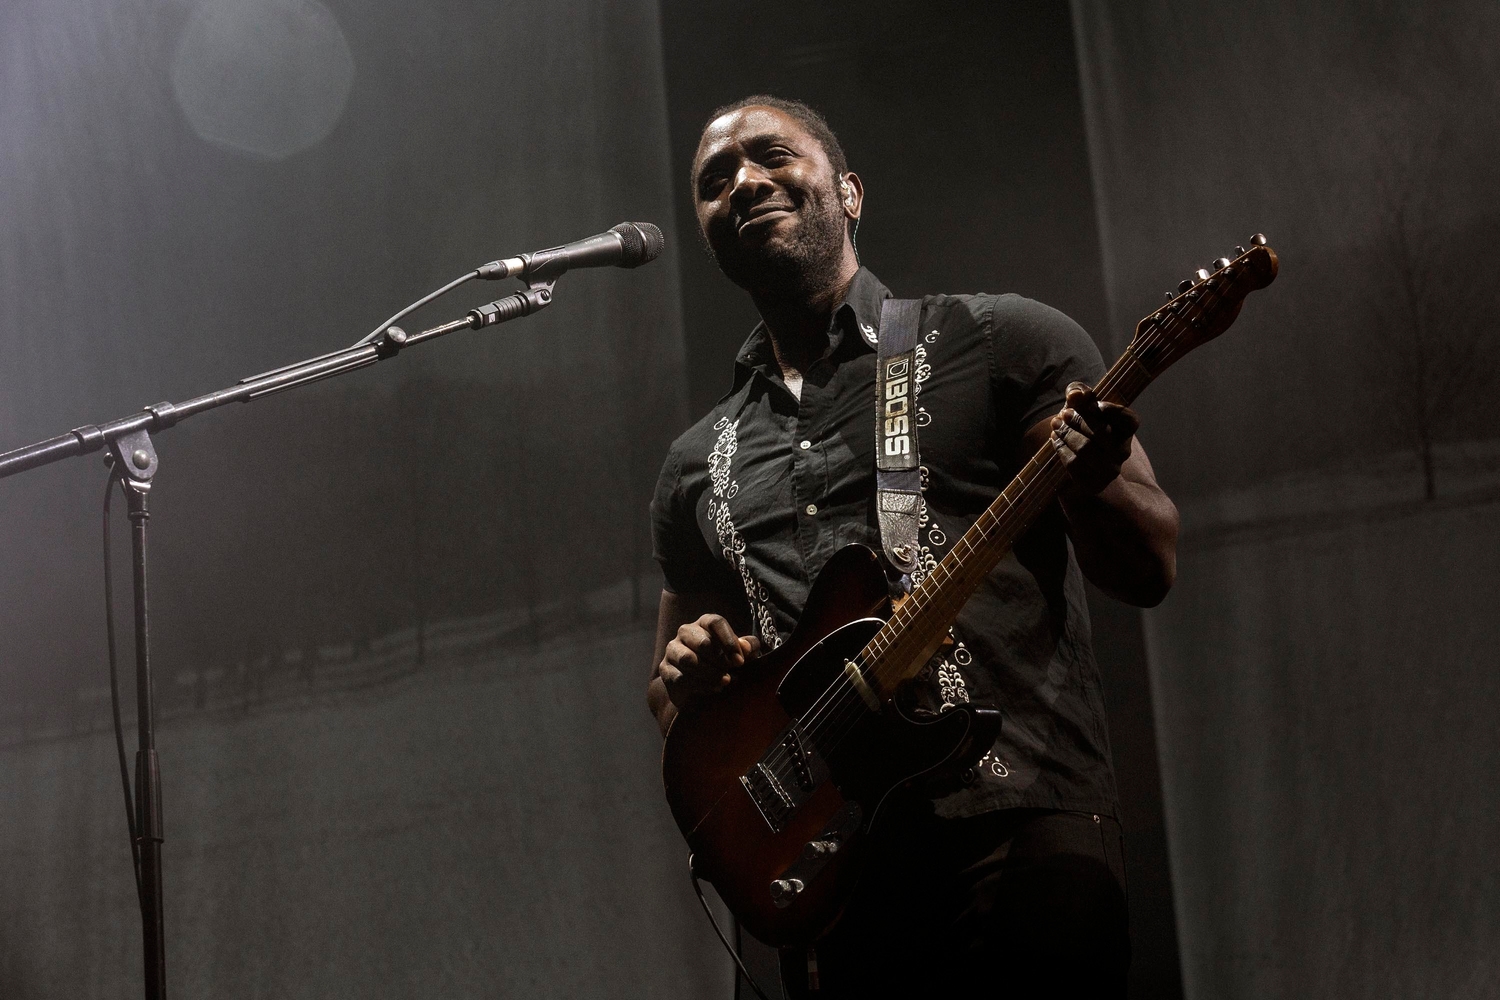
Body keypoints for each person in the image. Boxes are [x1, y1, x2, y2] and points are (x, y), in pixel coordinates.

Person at [647, 95, 1179, 998]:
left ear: (848, 192)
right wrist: (690, 673)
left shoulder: (1003, 337)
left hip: (1015, 829)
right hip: (823, 880)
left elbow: (1149, 564)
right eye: (714, 180)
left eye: (772, 155)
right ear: (706, 231)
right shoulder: (696, 461)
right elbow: (670, 695)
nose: (742, 181)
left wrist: (1090, 483)